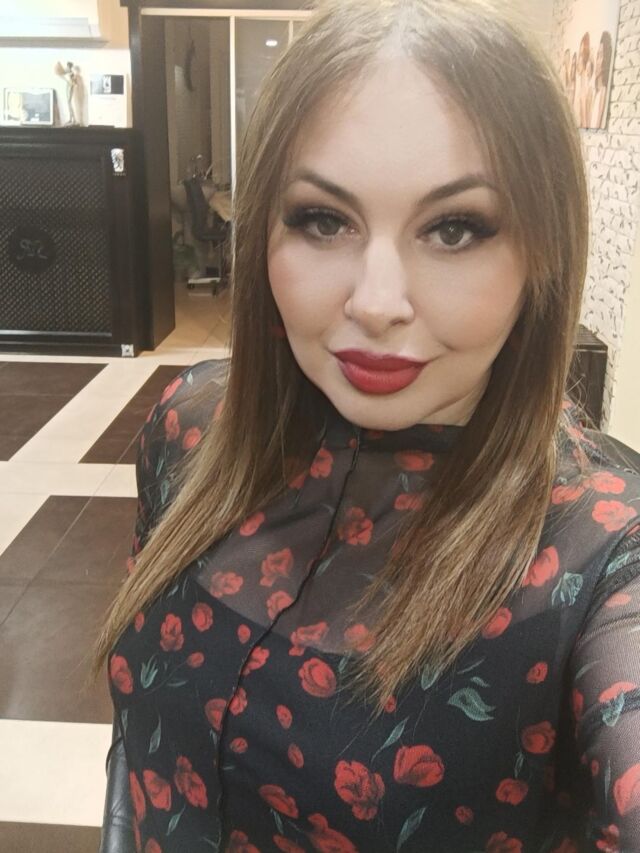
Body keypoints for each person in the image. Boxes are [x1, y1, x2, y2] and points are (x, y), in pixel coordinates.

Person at [91, 0, 640, 850]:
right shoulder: (192, 426)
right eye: (323, 219)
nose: (377, 303)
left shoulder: (604, 551)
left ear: (544, 253)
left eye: (454, 228)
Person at [590, 31, 613, 130]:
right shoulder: (595, 91)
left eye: (600, 56)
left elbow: (597, 126)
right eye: (597, 56)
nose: (597, 61)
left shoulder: (603, 91)